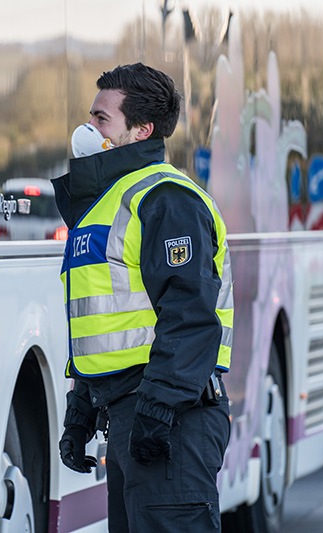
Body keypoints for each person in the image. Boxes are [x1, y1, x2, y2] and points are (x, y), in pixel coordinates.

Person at [52, 63, 233, 532]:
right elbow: (108, 321)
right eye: (90, 116)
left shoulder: (167, 200)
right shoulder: (108, 202)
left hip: (174, 419)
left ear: (141, 130)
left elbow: (189, 317)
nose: (88, 128)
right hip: (136, 414)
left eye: (101, 118)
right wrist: (83, 405)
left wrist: (158, 408)